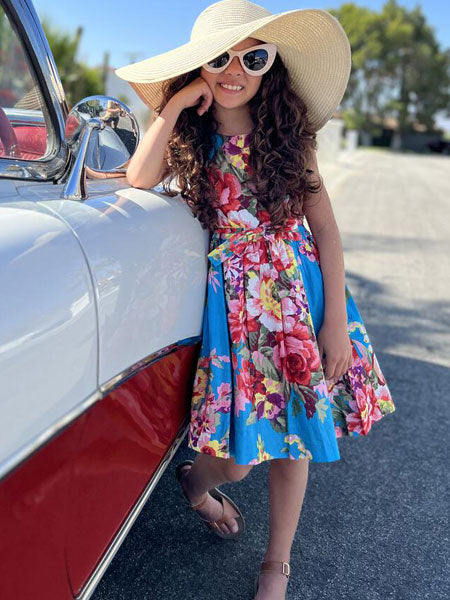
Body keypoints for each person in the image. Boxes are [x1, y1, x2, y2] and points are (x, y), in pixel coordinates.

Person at [116, 1, 396, 598]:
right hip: (237, 304)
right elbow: (139, 179)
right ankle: (198, 483)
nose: (235, 69)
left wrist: (336, 323)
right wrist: (171, 107)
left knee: (297, 432)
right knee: (239, 457)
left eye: (253, 56)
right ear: (200, 68)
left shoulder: (290, 138)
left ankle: (277, 562)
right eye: (219, 58)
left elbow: (326, 232)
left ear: (271, 67)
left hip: (301, 294)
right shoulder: (194, 135)